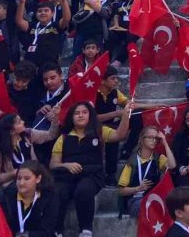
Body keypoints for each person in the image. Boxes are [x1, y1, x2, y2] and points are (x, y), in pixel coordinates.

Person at [50, 101, 133, 237]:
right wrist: (66, 165)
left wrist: (125, 115)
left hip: (92, 175)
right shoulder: (63, 138)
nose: (80, 116)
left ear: (90, 115)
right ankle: (57, 231)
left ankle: (86, 230)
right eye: (77, 113)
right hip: (67, 176)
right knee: (59, 192)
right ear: (71, 117)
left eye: (84, 112)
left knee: (83, 190)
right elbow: (53, 164)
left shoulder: (99, 131)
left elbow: (120, 135)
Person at [2, 161, 59, 237]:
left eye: (27, 179)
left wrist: (27, 235)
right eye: (19, 178)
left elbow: (47, 230)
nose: (21, 183)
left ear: (38, 178)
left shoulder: (49, 197)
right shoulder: (8, 196)